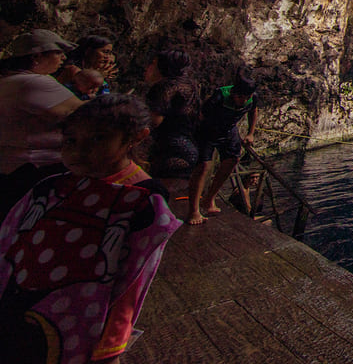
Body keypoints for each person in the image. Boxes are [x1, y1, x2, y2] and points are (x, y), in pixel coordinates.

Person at [0, 94, 181, 364]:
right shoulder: (51, 186)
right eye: (71, 141)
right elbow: (9, 241)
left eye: (98, 139)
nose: (79, 152)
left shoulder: (143, 201)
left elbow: (133, 282)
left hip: (83, 320)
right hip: (22, 305)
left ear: (137, 137)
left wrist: (112, 344)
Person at [0, 30, 83, 217]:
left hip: (10, 167)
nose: (63, 57)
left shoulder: (7, 81)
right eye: (58, 52)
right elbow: (86, 112)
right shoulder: (34, 82)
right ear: (37, 56)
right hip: (35, 170)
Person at [187, 70, 259, 225]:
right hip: (208, 130)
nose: (243, 100)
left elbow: (253, 112)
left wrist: (251, 133)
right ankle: (194, 211)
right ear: (233, 92)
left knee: (232, 160)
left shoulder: (252, 98)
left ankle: (209, 199)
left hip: (229, 129)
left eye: (246, 97)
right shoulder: (219, 96)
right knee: (204, 167)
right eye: (240, 97)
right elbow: (201, 117)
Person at [144, 50, 200, 181]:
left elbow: (154, 121)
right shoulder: (189, 85)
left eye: (153, 63)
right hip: (189, 148)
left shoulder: (163, 87)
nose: (148, 67)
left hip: (168, 149)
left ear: (162, 67)